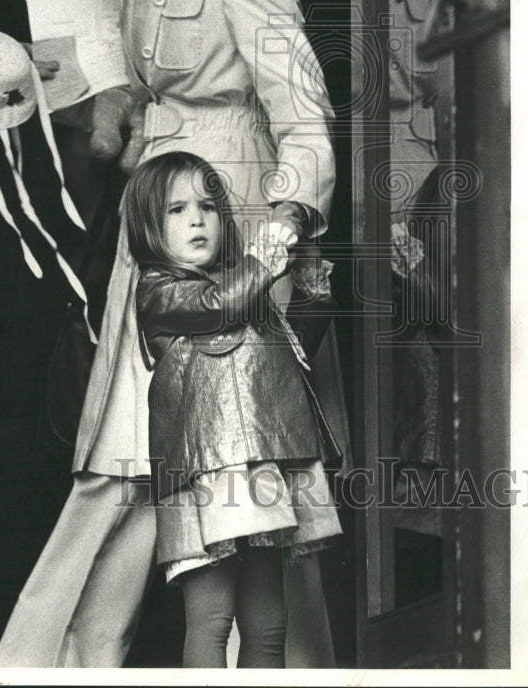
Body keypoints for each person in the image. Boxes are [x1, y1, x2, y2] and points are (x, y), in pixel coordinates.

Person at [0, 0, 346, 668]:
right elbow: (146, 91)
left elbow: (302, 112)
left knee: (250, 465)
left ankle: (278, 671)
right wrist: (95, 109)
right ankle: (64, 663)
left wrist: (275, 244)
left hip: (229, 221)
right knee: (122, 458)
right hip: (156, 215)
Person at [122, 151, 342, 668]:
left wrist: (310, 273)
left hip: (262, 463)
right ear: (148, 226)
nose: (197, 218)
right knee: (212, 619)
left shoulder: (245, 294)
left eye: (207, 206)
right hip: (202, 474)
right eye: (175, 210)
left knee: (269, 624)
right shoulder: (159, 291)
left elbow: (295, 350)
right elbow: (217, 306)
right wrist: (271, 247)